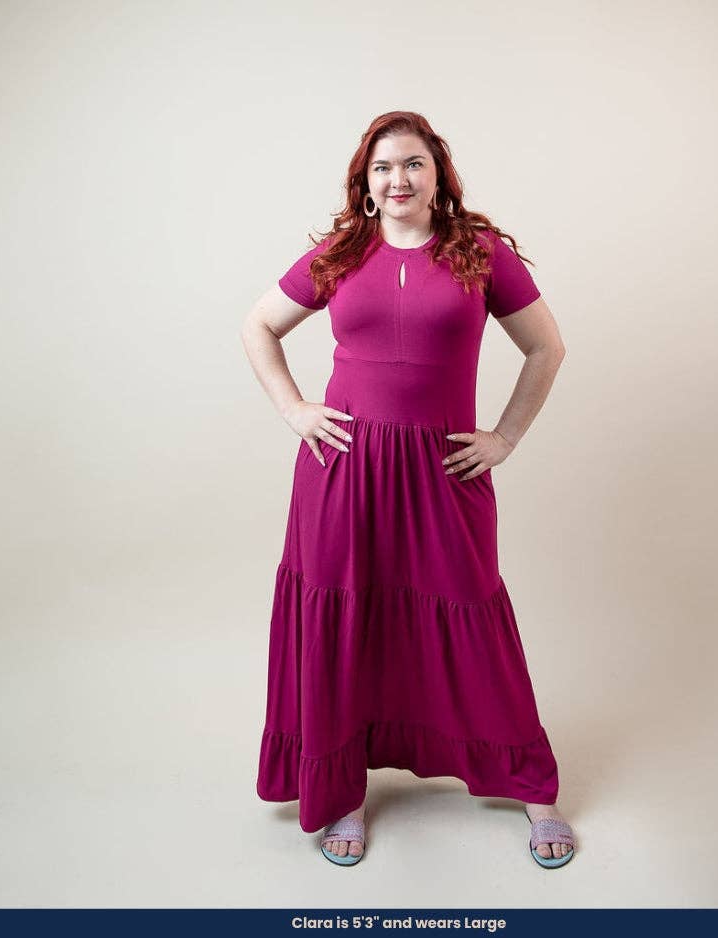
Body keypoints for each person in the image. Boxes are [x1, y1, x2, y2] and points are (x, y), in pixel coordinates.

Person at [241, 111, 575, 869]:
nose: (399, 178)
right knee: (347, 617)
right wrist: (295, 411)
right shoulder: (339, 253)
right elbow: (259, 326)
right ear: (366, 181)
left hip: (441, 473)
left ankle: (532, 786)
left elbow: (546, 347)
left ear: (438, 174)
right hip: (343, 472)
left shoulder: (479, 253)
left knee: (470, 615)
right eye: (384, 167)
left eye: (413, 163)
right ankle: (342, 792)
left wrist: (505, 437)